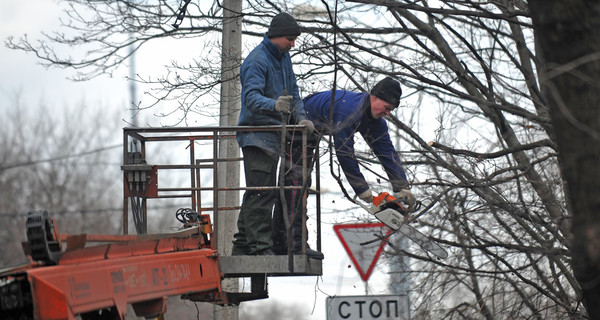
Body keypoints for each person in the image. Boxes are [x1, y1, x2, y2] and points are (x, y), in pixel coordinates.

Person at [272, 77, 415, 257]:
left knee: (297, 186)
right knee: (296, 186)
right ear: (375, 98)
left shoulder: (374, 120)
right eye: (387, 108)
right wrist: (362, 189)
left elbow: (386, 152)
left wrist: (402, 186)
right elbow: (344, 151)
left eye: (391, 110)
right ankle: (292, 245)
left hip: (312, 133)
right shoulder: (350, 110)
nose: (387, 113)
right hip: (298, 126)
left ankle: (282, 243)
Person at [232, 12, 315, 257]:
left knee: (259, 191)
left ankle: (242, 245)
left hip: (273, 137)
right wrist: (274, 105)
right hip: (256, 136)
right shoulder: (257, 61)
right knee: (261, 193)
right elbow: (250, 98)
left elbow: (295, 94)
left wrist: (301, 118)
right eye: (290, 39)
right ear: (276, 35)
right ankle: (260, 249)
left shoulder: (283, 58)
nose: (293, 44)